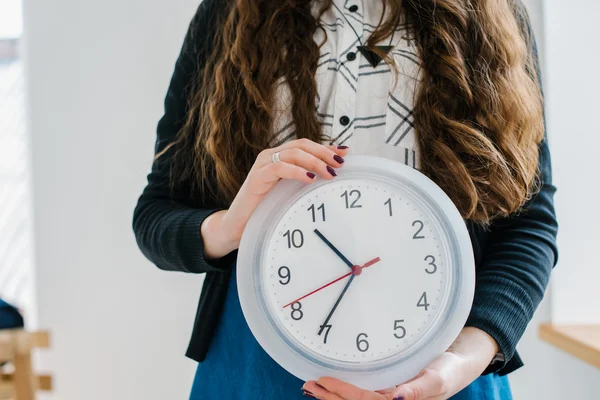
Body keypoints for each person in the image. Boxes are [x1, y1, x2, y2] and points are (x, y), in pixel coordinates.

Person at [133, 0, 558, 398]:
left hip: (441, 367)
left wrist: (462, 361)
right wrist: (229, 228)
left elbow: (528, 224)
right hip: (255, 362)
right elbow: (156, 214)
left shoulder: (486, 13)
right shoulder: (231, 14)